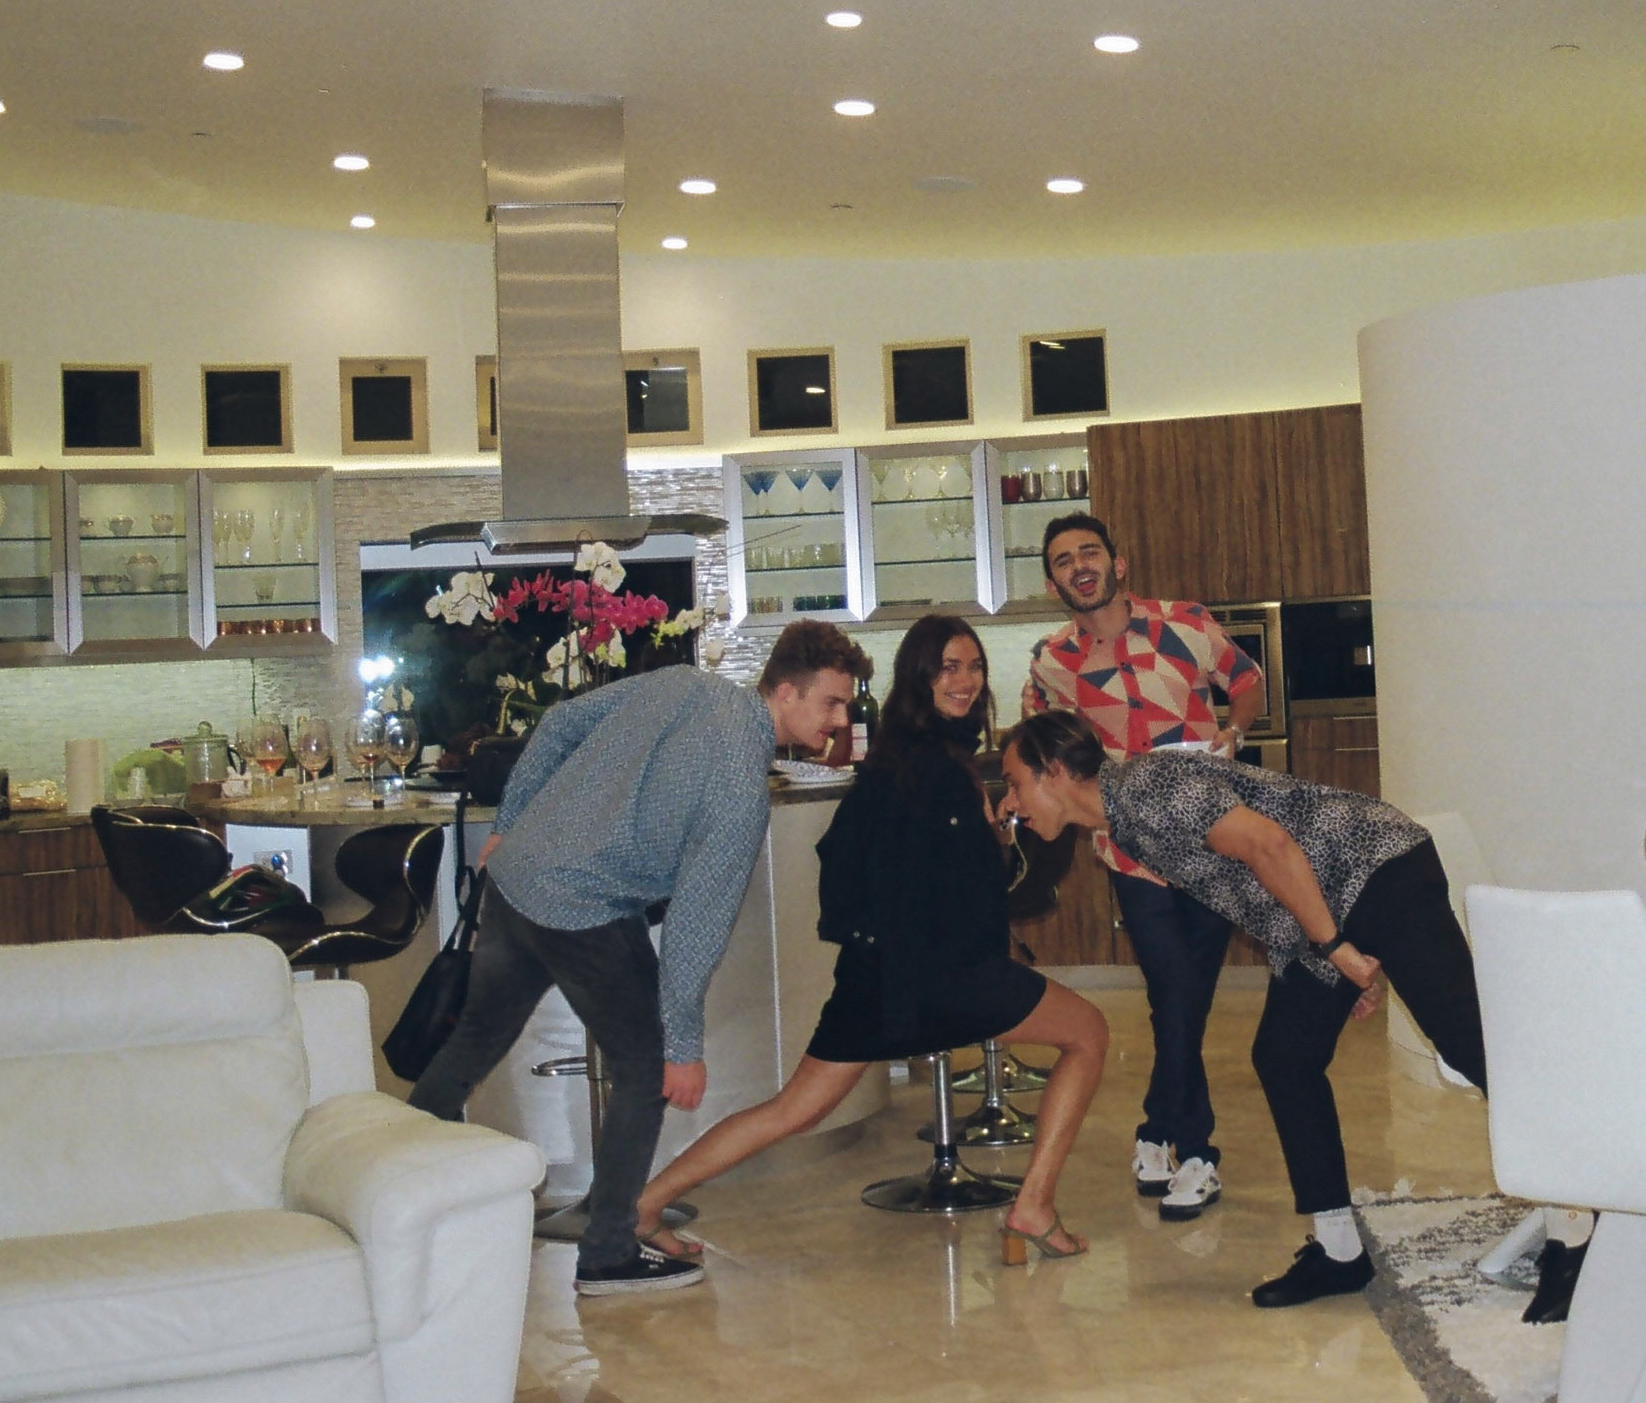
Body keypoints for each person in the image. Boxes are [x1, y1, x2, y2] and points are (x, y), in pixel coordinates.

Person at [408, 620, 868, 1297]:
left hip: (516, 879)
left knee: (475, 1038)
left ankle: (401, 1187)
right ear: (787, 692)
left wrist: (511, 822)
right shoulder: (741, 777)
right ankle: (608, 1252)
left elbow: (559, 722)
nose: (840, 718)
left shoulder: (682, 683)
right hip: (582, 907)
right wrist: (681, 1045)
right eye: (831, 702)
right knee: (643, 1066)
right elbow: (696, 921)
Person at [635, 614, 1110, 1265]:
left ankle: (642, 1203)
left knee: (790, 1109)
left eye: (972, 665)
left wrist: (984, 830)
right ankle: (1032, 1208)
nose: (965, 679)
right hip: (935, 974)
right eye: (948, 666)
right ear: (920, 674)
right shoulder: (935, 768)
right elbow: (948, 884)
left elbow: (896, 865)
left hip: (879, 975)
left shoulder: (907, 755)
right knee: (1088, 1031)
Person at [999, 708, 1488, 1309]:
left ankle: (1580, 1217)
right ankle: (1340, 1253)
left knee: (1469, 1043)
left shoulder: (1148, 788)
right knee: (1285, 1057)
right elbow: (1245, 887)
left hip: (1379, 867)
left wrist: (1334, 945)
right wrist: (1330, 950)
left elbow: (1268, 845)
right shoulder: (1123, 823)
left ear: (1053, 772)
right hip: (1328, 899)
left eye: (1016, 784)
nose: (1013, 801)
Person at [1017, 513, 1264, 1222]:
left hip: (1213, 835)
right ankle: (1197, 1151)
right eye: (1063, 560)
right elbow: (1039, 752)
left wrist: (1235, 727)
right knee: (1172, 986)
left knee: (1182, 999)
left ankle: (1157, 1124)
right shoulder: (1050, 664)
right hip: (1129, 849)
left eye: (1089, 552)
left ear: (1118, 563)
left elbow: (1246, 682)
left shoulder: (1184, 623)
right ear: (1052, 580)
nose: (1079, 566)